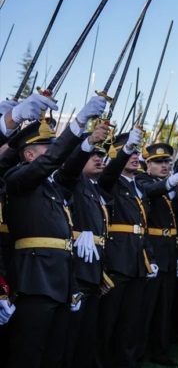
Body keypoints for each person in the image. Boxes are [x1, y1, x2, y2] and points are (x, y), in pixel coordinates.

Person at [5, 95, 106, 367]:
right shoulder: (18, 177)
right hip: (34, 280)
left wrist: (86, 143)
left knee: (55, 353)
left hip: (61, 281)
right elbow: (47, 164)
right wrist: (77, 124)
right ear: (29, 155)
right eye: (46, 148)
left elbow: (70, 171)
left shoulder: (53, 186)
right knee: (29, 352)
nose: (52, 153)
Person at [97, 128, 159, 368]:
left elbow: (142, 227)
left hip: (136, 260)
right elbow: (109, 173)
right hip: (116, 259)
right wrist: (124, 151)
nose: (135, 157)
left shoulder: (138, 186)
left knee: (131, 321)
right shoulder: (110, 181)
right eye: (129, 152)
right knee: (108, 320)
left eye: (136, 153)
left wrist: (149, 257)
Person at [55, 124, 111, 368]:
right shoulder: (72, 180)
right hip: (75, 266)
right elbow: (68, 171)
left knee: (86, 333)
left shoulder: (94, 188)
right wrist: (86, 143)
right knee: (69, 333)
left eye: (100, 155)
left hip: (93, 267)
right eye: (92, 155)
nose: (98, 159)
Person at [136, 143, 178, 366]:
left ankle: (161, 351)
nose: (164, 165)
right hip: (152, 252)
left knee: (165, 308)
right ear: (147, 165)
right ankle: (138, 353)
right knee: (146, 309)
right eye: (159, 162)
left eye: (167, 162)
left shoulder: (170, 186)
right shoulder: (142, 181)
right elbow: (152, 191)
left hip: (169, 252)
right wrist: (174, 180)